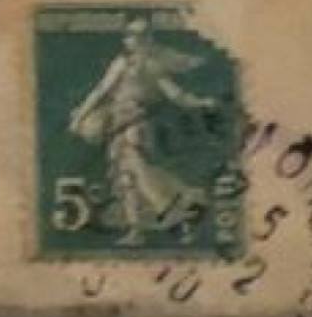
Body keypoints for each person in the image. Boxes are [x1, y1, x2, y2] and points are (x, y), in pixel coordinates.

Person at [67, 19, 220, 245]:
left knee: (136, 168)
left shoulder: (152, 65)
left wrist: (200, 102)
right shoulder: (121, 63)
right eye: (131, 35)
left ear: (149, 39)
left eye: (142, 35)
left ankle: (176, 207)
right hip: (116, 124)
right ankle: (138, 229)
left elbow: (174, 94)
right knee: (126, 178)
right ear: (126, 40)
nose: (136, 40)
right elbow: (101, 90)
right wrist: (81, 115)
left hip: (137, 125)